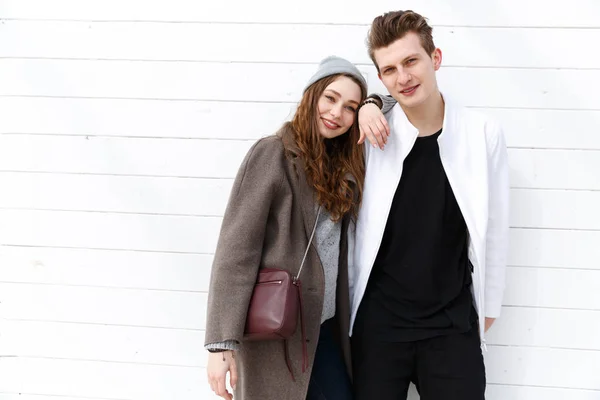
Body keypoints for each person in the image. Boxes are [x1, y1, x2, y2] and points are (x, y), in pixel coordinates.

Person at [349, 10, 510, 400]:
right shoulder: (372, 136)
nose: (402, 77)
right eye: (389, 70)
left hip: (451, 326)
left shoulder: (482, 133)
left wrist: (488, 307)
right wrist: (367, 105)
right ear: (381, 78)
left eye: (411, 61)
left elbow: (496, 223)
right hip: (380, 327)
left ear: (435, 58)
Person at [205, 56, 368, 400]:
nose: (337, 112)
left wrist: (372, 105)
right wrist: (221, 345)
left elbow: (403, 100)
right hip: (276, 332)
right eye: (331, 98)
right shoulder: (272, 154)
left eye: (351, 107)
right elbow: (236, 250)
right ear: (312, 96)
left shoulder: (344, 166)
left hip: (322, 332)